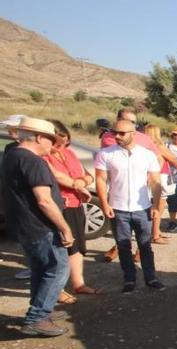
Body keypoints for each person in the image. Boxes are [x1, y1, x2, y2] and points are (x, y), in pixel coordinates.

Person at [1, 117, 73, 336]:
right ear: (39, 138)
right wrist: (64, 228)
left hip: (24, 225)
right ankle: (37, 317)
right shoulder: (33, 161)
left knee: (41, 269)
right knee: (58, 268)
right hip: (40, 226)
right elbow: (44, 200)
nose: (53, 146)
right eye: (51, 141)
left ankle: (42, 310)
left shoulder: (11, 155)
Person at [94, 119, 165, 293]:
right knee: (123, 246)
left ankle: (151, 277)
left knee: (145, 245)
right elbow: (101, 179)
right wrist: (104, 203)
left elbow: (155, 181)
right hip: (118, 208)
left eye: (121, 133)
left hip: (142, 208)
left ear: (133, 134)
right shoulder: (106, 154)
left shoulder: (147, 155)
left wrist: (156, 206)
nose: (116, 136)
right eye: (114, 133)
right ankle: (129, 279)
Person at [44, 120, 102, 303]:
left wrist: (81, 183)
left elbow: (87, 174)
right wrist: (77, 184)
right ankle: (57, 289)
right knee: (60, 248)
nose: (61, 147)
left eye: (65, 143)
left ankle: (79, 283)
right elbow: (57, 176)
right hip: (59, 205)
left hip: (76, 204)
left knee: (77, 246)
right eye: (58, 144)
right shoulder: (43, 157)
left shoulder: (70, 153)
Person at [100, 108, 161, 263]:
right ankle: (126, 272)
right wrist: (104, 202)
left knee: (144, 242)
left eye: (134, 122)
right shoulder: (108, 139)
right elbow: (102, 174)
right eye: (127, 121)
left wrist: (152, 174)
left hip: (141, 201)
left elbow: (157, 157)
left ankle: (142, 257)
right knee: (122, 240)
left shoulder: (145, 141)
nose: (118, 136)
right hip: (118, 200)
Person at [1, 114, 35, 281]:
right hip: (14, 198)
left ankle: (36, 269)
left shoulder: (30, 151)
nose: (9, 131)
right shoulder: (10, 148)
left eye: (12, 128)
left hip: (27, 201)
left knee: (32, 237)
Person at [143, 124, 177, 245]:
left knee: (150, 205)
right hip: (161, 177)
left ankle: (155, 231)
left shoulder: (143, 146)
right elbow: (173, 159)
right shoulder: (159, 146)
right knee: (159, 207)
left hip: (146, 176)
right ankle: (155, 233)